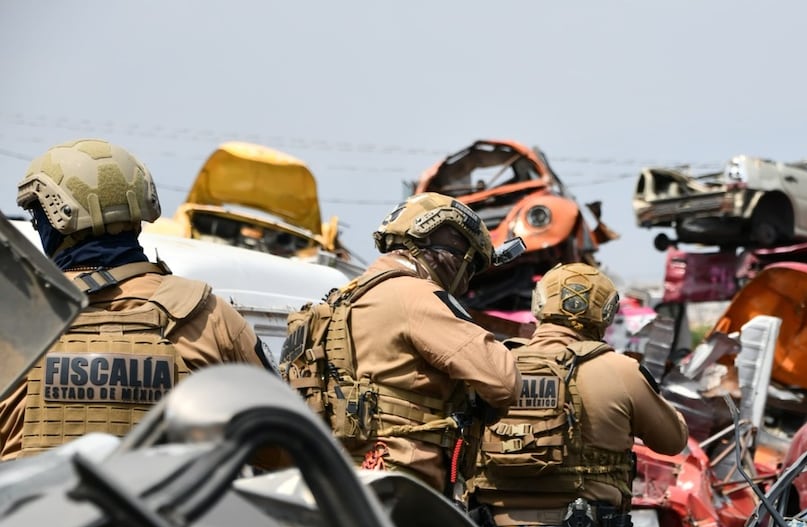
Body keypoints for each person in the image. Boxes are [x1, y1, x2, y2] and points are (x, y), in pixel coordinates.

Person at [0, 138, 275, 460]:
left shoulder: (15, 321)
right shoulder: (210, 316)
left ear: (55, 218)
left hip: (32, 510)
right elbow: (280, 448)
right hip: (173, 510)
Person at [468, 262, 688, 527]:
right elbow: (672, 441)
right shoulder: (620, 369)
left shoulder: (496, 365)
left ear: (540, 305)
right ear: (605, 312)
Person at [280, 192, 522, 497]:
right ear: (448, 250)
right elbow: (503, 380)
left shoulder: (345, 297)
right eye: (469, 264)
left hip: (338, 470)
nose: (465, 280)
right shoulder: (415, 295)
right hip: (401, 474)